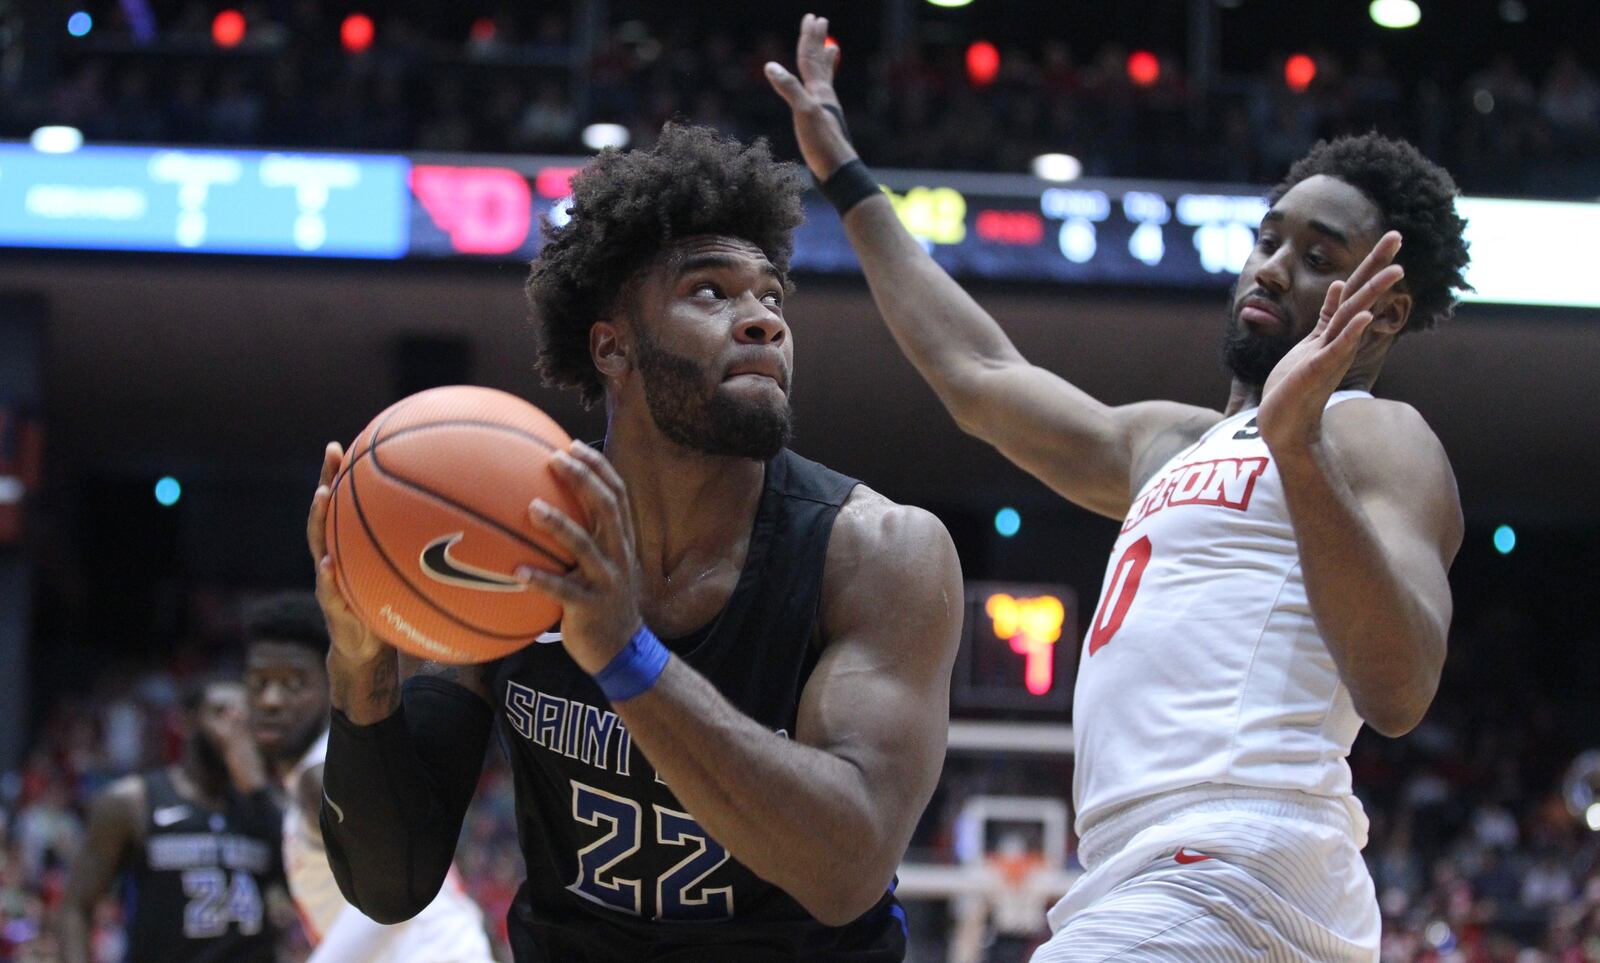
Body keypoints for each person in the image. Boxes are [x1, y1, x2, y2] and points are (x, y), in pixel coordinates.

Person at [767, 15, 1470, 962]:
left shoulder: (1377, 435)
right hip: (1144, 873)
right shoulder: (1170, 440)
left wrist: (1299, 447)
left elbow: (1399, 688)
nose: (1272, 264)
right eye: (1270, 237)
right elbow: (979, 374)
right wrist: (845, 173)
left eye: (1317, 255)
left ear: (1383, 308)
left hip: (1236, 857)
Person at [307, 123, 964, 961]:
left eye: (770, 295)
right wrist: (360, 664)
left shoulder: (874, 552)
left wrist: (627, 655)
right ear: (611, 344)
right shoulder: (511, 534)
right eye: (711, 292)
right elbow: (391, 883)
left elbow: (848, 868)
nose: (762, 319)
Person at [241, 591, 497, 961]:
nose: (272, 700)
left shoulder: (321, 775)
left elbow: (388, 905)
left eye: (294, 683)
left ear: (333, 683)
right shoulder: (316, 776)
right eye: (258, 683)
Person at [58, 678, 282, 963]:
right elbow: (76, 907)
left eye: (245, 717)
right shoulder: (133, 802)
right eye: (222, 713)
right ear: (187, 722)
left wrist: (259, 792)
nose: (235, 728)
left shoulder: (268, 808)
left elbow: (306, 886)